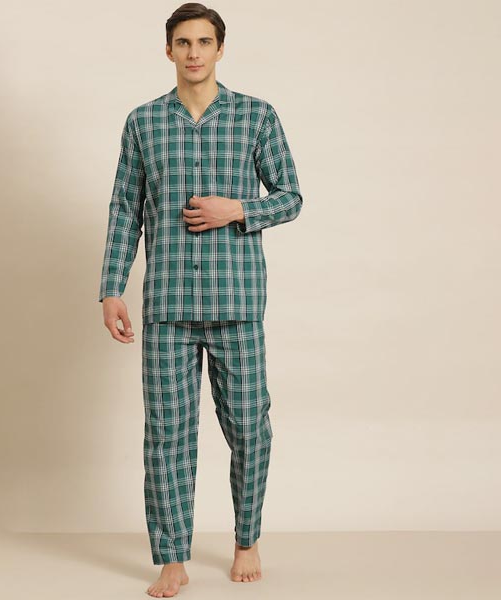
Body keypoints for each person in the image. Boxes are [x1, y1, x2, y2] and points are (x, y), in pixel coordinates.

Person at [98, 2, 303, 597]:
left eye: (204, 42)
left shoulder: (256, 116)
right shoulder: (143, 122)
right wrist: (111, 288)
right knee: (167, 435)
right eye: (183, 42)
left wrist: (237, 209)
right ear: (169, 50)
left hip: (237, 303)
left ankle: (247, 539)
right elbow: (125, 209)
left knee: (251, 429)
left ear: (220, 49)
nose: (193, 53)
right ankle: (171, 558)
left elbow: (290, 196)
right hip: (167, 307)